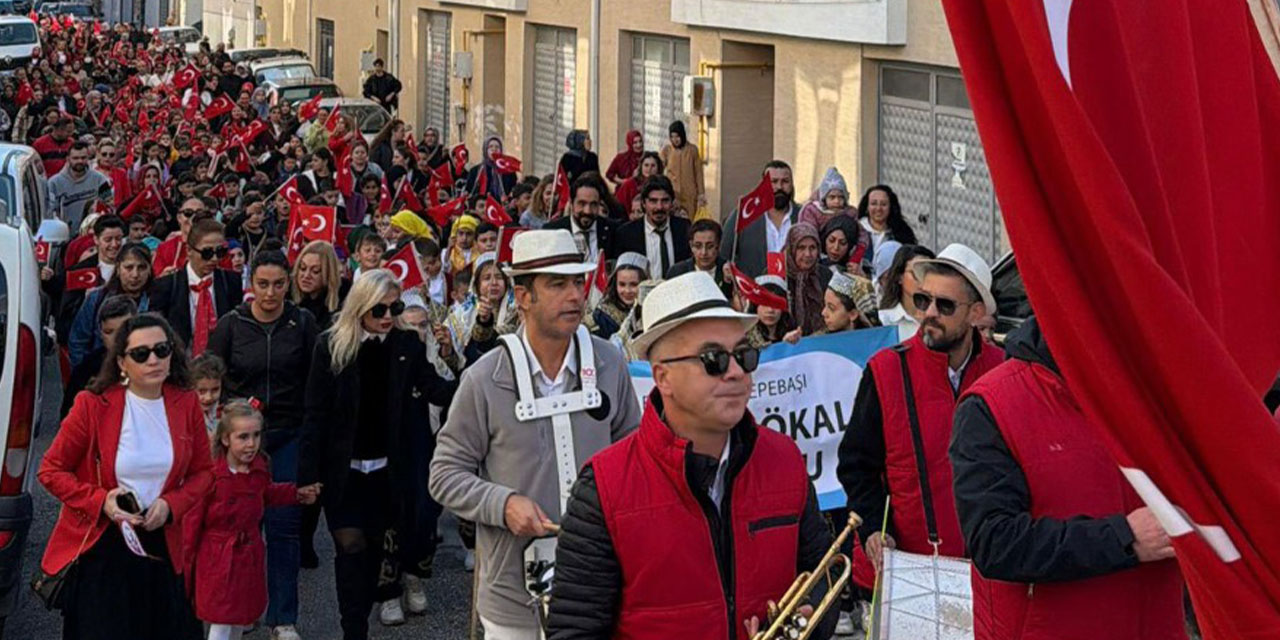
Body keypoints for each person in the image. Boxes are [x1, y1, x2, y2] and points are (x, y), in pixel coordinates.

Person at [546, 272, 838, 640]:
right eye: (713, 358)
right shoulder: (603, 487)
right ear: (662, 377)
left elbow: (823, 578)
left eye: (744, 355)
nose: (735, 372)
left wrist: (809, 622)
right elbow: (574, 631)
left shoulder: (786, 460)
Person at [430, 229, 642, 639]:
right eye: (558, 284)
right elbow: (444, 474)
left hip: (601, 589)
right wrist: (502, 503)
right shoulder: (484, 377)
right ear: (523, 297)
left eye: (579, 282)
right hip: (514, 601)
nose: (576, 295)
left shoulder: (610, 363)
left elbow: (634, 455)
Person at [951, 316, 1186, 639]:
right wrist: (1125, 538)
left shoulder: (1157, 392)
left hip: (1155, 623)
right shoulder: (991, 404)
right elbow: (994, 543)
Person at [300, 270, 457, 640]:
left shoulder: (407, 346)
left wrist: (470, 377)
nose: (387, 316)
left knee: (375, 555)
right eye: (379, 309)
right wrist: (307, 474)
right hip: (344, 472)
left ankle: (363, 612)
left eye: (395, 307)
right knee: (349, 549)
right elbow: (315, 413)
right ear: (360, 308)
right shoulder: (331, 346)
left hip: (389, 472)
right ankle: (353, 631)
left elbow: (435, 389)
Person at [39, 314, 214, 640]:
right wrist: (101, 500)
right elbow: (50, 470)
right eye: (141, 353)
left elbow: (204, 473)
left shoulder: (186, 403)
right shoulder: (92, 405)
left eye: (162, 350)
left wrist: (171, 504)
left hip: (162, 545)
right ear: (121, 361)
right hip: (104, 548)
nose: (154, 360)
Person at [836, 243, 1004, 569]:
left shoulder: (1005, 370)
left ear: (976, 314)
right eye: (922, 300)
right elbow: (856, 465)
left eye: (944, 305)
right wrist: (874, 529)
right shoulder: (885, 369)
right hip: (907, 570)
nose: (928, 313)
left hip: (989, 571)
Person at [206, 250, 320, 640]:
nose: (271, 293)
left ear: (289, 284)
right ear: (250, 285)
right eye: (263, 284)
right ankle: (242, 610)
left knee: (284, 527)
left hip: (289, 435)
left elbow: (315, 380)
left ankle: (283, 618)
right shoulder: (231, 326)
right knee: (241, 531)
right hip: (240, 443)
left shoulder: (302, 323)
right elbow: (211, 379)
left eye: (278, 284)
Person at [187, 402, 321, 640]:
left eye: (256, 435)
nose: (251, 444)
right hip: (218, 559)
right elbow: (193, 521)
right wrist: (187, 564)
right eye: (243, 437)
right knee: (220, 623)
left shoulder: (259, 468)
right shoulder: (211, 476)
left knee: (240, 619)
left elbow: (266, 493)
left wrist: (295, 493)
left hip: (248, 555)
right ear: (226, 439)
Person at [149, 218, 242, 354]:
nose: (214, 259)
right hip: (180, 361)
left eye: (220, 252)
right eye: (207, 253)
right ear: (189, 251)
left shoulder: (231, 281)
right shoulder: (166, 285)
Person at [68, 242, 153, 373]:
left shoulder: (157, 300)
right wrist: (85, 374)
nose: (135, 274)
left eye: (141, 268)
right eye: (129, 268)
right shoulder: (97, 298)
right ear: (118, 269)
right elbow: (78, 341)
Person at [720, 160, 801, 277]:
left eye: (785, 181)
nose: (779, 187)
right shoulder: (743, 215)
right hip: (754, 290)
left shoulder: (803, 216)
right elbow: (725, 254)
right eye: (774, 181)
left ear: (792, 184)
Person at [57, 215, 127, 342]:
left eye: (118, 239)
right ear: (96, 239)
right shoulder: (79, 272)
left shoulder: (132, 266)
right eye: (108, 239)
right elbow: (65, 317)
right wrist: (85, 301)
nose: (114, 244)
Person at [445, 252, 519, 364]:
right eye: (487, 278)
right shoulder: (460, 315)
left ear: (506, 282)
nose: (493, 283)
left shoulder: (518, 310)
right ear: (477, 285)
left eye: (499, 277)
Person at [611, 175, 690, 279]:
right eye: (653, 201)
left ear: (672, 202)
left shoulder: (684, 229)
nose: (659, 207)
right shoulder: (626, 234)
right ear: (643, 203)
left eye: (665, 201)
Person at [545, 175, 618, 264]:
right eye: (582, 203)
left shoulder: (613, 231)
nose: (587, 211)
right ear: (571, 203)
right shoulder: (553, 231)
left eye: (593, 204)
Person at [47, 141, 113, 232]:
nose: (80, 161)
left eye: (83, 158)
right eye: (75, 158)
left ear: (88, 158)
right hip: (64, 236)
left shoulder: (100, 180)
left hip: (91, 234)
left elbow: (109, 205)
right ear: (68, 159)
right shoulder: (54, 183)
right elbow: (49, 214)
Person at [876, 244, 936, 342]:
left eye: (927, 273)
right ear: (900, 277)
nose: (922, 280)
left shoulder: (940, 319)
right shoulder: (884, 320)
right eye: (916, 273)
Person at [585, 252, 648, 340]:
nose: (627, 290)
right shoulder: (602, 318)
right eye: (622, 284)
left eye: (633, 284)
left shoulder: (652, 311)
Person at [784, 222, 832, 336]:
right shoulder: (778, 273)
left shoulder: (825, 275)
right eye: (801, 248)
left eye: (812, 248)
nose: (808, 254)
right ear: (791, 248)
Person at [292, 241, 351, 330]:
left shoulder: (345, 299)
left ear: (329, 273)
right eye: (303, 268)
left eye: (315, 271)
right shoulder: (287, 298)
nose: (306, 275)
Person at [658, 120, 704, 218]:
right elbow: (659, 168)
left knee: (689, 220)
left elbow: (698, 173)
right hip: (673, 194)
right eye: (672, 137)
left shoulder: (692, 150)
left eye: (677, 136)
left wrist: (701, 194)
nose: (675, 140)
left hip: (690, 194)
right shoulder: (667, 150)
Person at [856, 184, 917, 252]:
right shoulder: (856, 229)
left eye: (883, 204)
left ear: (891, 207)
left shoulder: (902, 233)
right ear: (867, 207)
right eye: (874, 204)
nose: (879, 208)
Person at [465, 136, 518, 201]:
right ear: (485, 150)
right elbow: (469, 191)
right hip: (481, 206)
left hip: (502, 207)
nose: (494, 149)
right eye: (490, 147)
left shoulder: (509, 171)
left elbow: (514, 190)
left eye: (497, 147)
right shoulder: (475, 171)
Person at [613, 151, 663, 217]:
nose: (649, 169)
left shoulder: (662, 185)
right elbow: (617, 205)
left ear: (658, 168)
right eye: (646, 165)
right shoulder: (629, 184)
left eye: (653, 166)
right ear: (641, 167)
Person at [191, 353, 227, 436]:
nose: (208, 397)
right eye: (202, 391)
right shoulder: (186, 416)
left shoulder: (226, 412)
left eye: (215, 390)